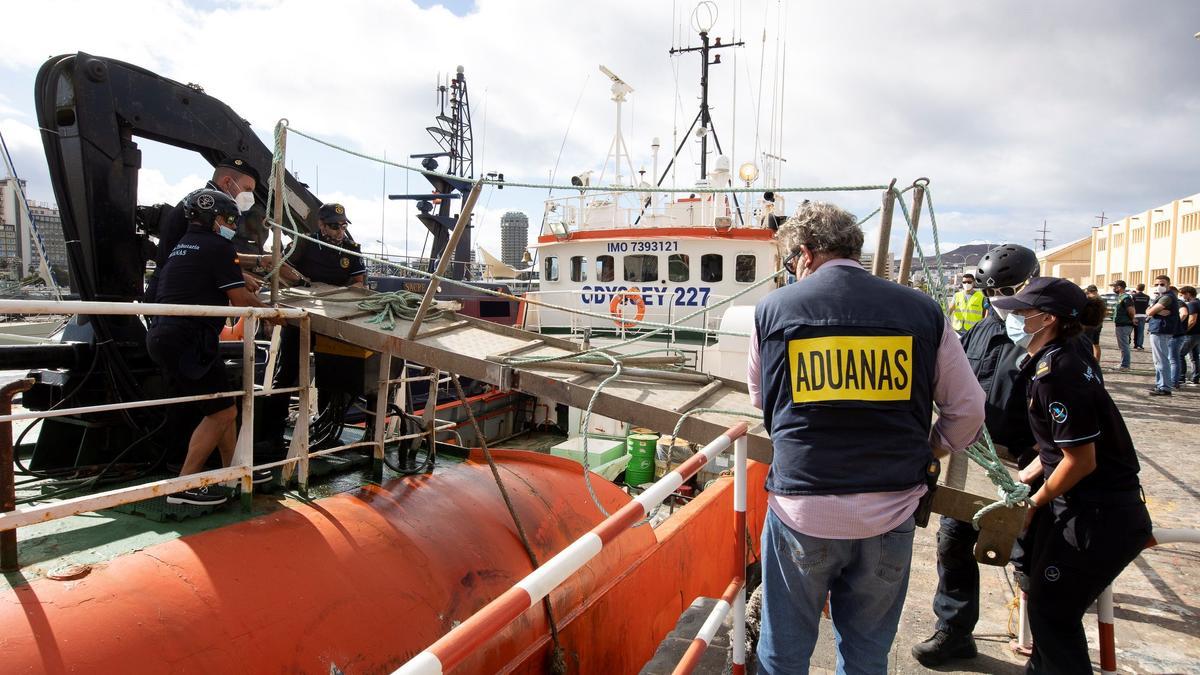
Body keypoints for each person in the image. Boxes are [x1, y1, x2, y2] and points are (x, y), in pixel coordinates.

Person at [747, 202, 985, 674]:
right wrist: (932, 446)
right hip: (891, 509)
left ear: (806, 253)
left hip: (802, 508)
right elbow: (969, 409)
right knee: (866, 654)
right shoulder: (922, 310)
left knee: (783, 652)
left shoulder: (772, 310)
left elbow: (761, 400)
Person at [992, 277, 1151, 674]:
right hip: (1085, 507)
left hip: (1098, 516)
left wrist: (1033, 502)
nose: (1013, 318)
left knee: (1052, 614)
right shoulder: (1055, 360)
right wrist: (1022, 481)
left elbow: (1080, 460)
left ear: (1047, 319)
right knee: (1046, 606)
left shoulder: (1058, 372)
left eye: (1022, 312)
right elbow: (1053, 452)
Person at [911, 243, 1042, 666]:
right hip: (975, 459)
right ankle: (953, 631)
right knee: (954, 544)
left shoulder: (1047, 337)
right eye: (992, 294)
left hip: (1026, 466)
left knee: (1031, 555)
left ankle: (1044, 642)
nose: (999, 302)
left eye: (1006, 292)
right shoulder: (980, 331)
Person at [145, 189, 284, 505]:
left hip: (168, 335)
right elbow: (238, 299)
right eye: (231, 220)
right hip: (187, 338)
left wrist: (242, 275)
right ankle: (184, 485)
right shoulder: (218, 246)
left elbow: (210, 278)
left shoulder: (183, 245)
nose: (232, 227)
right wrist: (275, 314)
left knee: (225, 407)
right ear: (217, 219)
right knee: (221, 413)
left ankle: (231, 470)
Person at [261, 203, 368, 445]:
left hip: (332, 320)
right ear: (321, 225)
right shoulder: (304, 244)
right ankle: (271, 434)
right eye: (333, 226)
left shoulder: (351, 250)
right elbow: (281, 266)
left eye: (342, 226)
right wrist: (301, 283)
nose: (339, 231)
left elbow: (359, 281)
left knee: (331, 376)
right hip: (301, 318)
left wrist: (348, 292)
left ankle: (326, 432)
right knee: (287, 373)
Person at [145, 159, 299, 302]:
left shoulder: (201, 203)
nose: (250, 197)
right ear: (227, 182)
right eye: (247, 189)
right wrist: (236, 277)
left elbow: (215, 255)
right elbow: (196, 256)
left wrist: (259, 259)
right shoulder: (204, 210)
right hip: (174, 298)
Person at [1147, 274, 1181, 395]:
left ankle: (1165, 387)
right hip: (1159, 329)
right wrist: (1155, 311)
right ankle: (1160, 384)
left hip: (1161, 330)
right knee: (1158, 360)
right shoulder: (1161, 296)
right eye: (1157, 284)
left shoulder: (1167, 297)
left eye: (1162, 284)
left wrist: (1153, 311)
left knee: (1161, 360)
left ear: (1168, 285)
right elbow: (1148, 311)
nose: (1159, 287)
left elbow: (1150, 311)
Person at [1176, 286, 1199, 386]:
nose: (1182, 297)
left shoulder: (1192, 304)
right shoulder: (1198, 302)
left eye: (1183, 294)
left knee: (1180, 354)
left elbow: (1192, 320)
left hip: (1191, 334)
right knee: (1194, 356)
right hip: (1197, 334)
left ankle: (1181, 377)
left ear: (1188, 294)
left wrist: (1184, 331)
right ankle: (1195, 377)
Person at [1110, 280, 1135, 370]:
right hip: (1121, 324)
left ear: (1119, 287)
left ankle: (1125, 365)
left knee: (1124, 346)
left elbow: (1131, 310)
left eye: (1114, 286)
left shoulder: (1125, 298)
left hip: (1124, 324)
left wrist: (1133, 319)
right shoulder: (1121, 297)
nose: (1113, 289)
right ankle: (1123, 363)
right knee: (1123, 346)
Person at [1083, 285, 1103, 364]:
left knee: (1087, 343)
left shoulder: (1089, 299)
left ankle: (1088, 362)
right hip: (1098, 323)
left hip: (1090, 324)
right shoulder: (1100, 299)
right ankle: (1096, 362)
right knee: (1096, 344)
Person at [1131, 283, 1150, 350]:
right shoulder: (1147, 297)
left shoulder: (1133, 296)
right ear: (1143, 289)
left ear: (1136, 288)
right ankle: (1139, 345)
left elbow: (1131, 306)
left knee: (1130, 331)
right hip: (1142, 315)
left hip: (1134, 315)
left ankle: (1131, 344)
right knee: (1140, 331)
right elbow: (1147, 306)